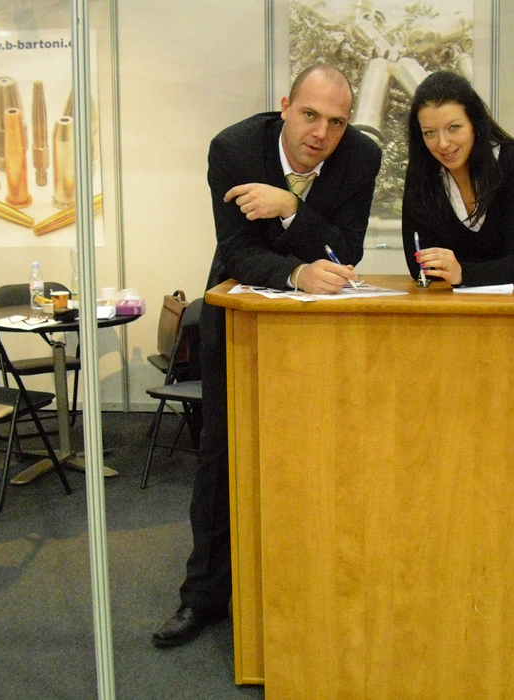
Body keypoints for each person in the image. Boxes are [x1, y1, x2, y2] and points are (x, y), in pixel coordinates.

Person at [152, 64, 382, 647]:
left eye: (336, 122)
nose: (321, 133)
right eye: (310, 115)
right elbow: (237, 252)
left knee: (313, 457)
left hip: (320, 332)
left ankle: (299, 584)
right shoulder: (233, 148)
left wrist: (288, 207)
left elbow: (346, 248)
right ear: (285, 106)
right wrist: (299, 270)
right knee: (222, 455)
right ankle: (203, 596)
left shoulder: (361, 157)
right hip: (240, 320)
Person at [401, 70, 514, 286]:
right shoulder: (422, 171)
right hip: (444, 303)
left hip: (509, 302)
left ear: (475, 123)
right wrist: (501, 268)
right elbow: (421, 268)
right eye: (429, 132)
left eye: (454, 128)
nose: (443, 143)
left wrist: (461, 272)